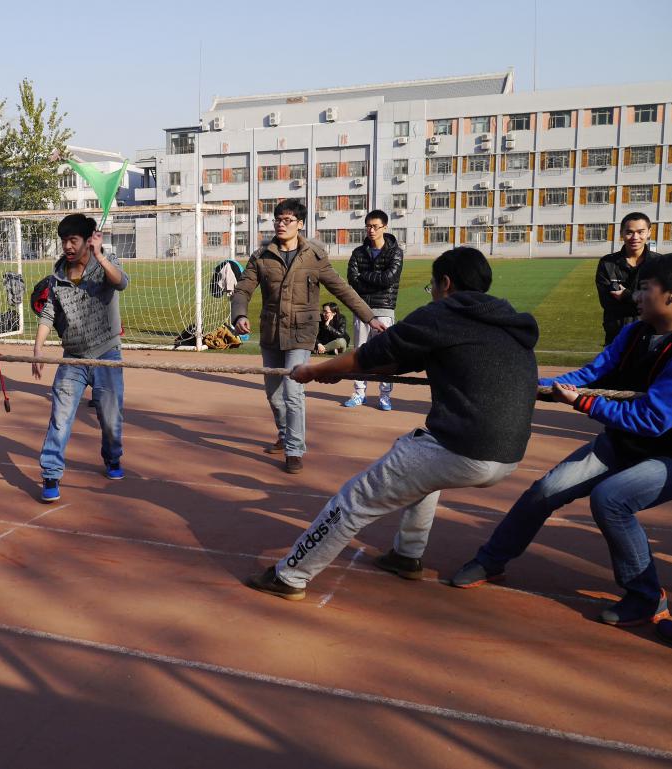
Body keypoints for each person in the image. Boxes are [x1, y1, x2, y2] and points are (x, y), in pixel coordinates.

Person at [245, 247, 539, 601]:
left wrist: (314, 370)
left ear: (446, 283)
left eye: (433, 285)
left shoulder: (445, 313)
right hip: (509, 456)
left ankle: (291, 576)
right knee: (420, 460)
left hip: (463, 449)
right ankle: (406, 555)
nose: (434, 292)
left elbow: (373, 352)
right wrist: (340, 371)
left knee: (354, 499)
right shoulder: (505, 321)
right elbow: (398, 360)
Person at [451, 254, 672, 629]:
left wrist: (584, 403)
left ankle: (645, 595)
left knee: (611, 499)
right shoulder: (634, 333)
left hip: (665, 456)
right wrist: (533, 387)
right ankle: (491, 560)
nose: (636, 296)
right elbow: (592, 374)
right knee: (545, 490)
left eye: (645, 289)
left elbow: (652, 419)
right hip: (621, 444)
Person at [231, 199, 384, 473]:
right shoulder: (262, 256)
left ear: (300, 224)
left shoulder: (314, 256)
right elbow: (242, 289)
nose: (281, 224)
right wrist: (239, 315)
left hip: (302, 333)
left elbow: (341, 289)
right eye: (278, 219)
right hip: (271, 333)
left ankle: (294, 449)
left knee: (293, 392)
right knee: (274, 395)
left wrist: (369, 317)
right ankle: (284, 434)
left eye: (287, 220)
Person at [32, 213, 129, 502]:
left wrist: (100, 257)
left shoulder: (106, 264)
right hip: (72, 358)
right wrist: (38, 349)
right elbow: (49, 313)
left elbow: (121, 283)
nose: (68, 247)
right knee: (60, 418)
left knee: (110, 419)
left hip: (106, 354)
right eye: (64, 241)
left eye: (73, 240)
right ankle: (51, 473)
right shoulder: (57, 276)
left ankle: (112, 457)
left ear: (88, 241)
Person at [344, 209, 404, 410]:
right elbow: (352, 280)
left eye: (375, 226)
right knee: (359, 351)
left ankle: (385, 396)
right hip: (362, 309)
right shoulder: (358, 252)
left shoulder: (395, 252)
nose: (371, 230)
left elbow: (389, 279)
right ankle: (359, 393)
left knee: (385, 353)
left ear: (384, 227)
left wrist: (364, 276)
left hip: (384, 308)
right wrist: (372, 280)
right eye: (368, 226)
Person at [596, 212, 661, 346]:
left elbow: (661, 304)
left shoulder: (660, 263)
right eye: (629, 232)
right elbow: (608, 304)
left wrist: (627, 296)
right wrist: (644, 299)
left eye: (640, 232)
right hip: (616, 336)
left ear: (649, 232)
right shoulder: (607, 263)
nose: (635, 237)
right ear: (621, 233)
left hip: (651, 336)